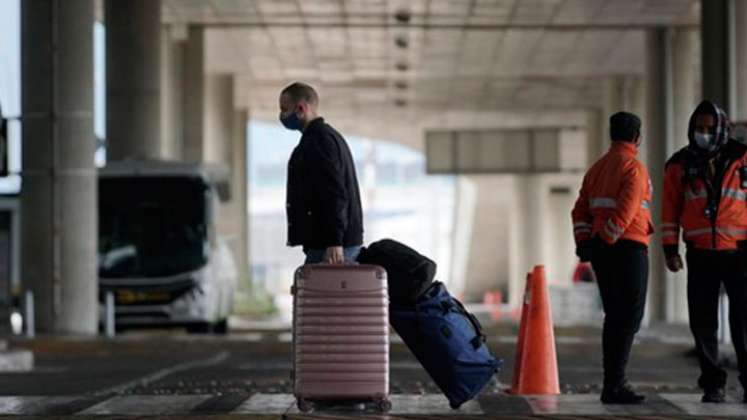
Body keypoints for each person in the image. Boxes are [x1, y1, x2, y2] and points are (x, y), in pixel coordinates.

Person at [662, 100, 747, 403]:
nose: (704, 134)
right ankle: (713, 384)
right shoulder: (678, 164)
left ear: (722, 128)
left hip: (740, 252)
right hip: (699, 253)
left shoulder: (743, 158)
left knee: (743, 323)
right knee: (703, 323)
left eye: (710, 129)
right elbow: (670, 210)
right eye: (699, 129)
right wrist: (670, 249)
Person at [571, 111, 653, 404]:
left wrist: (586, 243)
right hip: (628, 248)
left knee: (614, 317)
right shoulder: (634, 167)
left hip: (602, 253)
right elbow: (627, 210)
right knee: (629, 317)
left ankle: (612, 383)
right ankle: (615, 384)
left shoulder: (597, 169)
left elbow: (579, 210)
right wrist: (605, 240)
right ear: (637, 137)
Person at [279, 82, 363, 265]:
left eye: (284, 109)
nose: (282, 116)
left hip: (331, 248)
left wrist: (334, 241)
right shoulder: (322, 137)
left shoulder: (319, 141)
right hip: (328, 244)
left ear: (301, 108)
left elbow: (333, 192)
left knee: (319, 293)